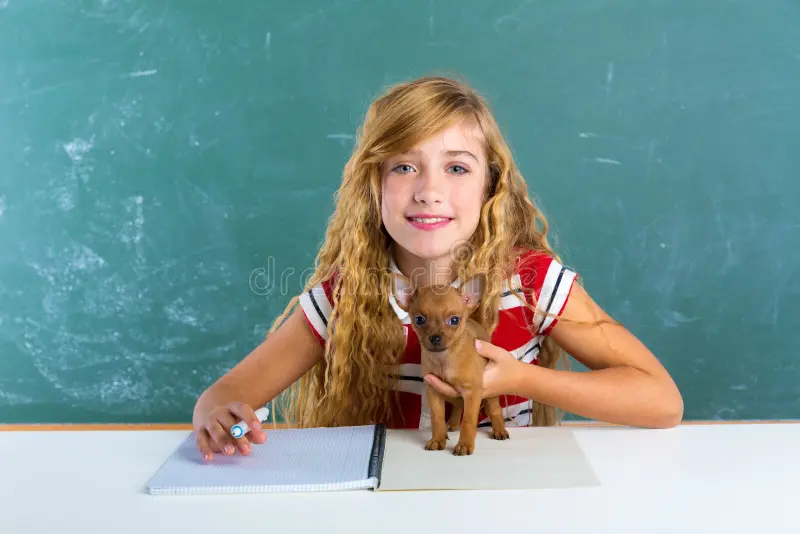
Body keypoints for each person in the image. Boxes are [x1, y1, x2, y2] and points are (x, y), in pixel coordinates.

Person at [192, 75, 684, 461]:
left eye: (456, 167)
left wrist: (520, 381)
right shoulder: (347, 294)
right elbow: (225, 395)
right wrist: (222, 420)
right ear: (374, 186)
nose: (429, 189)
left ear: (490, 186)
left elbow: (661, 401)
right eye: (404, 167)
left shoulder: (531, 281)